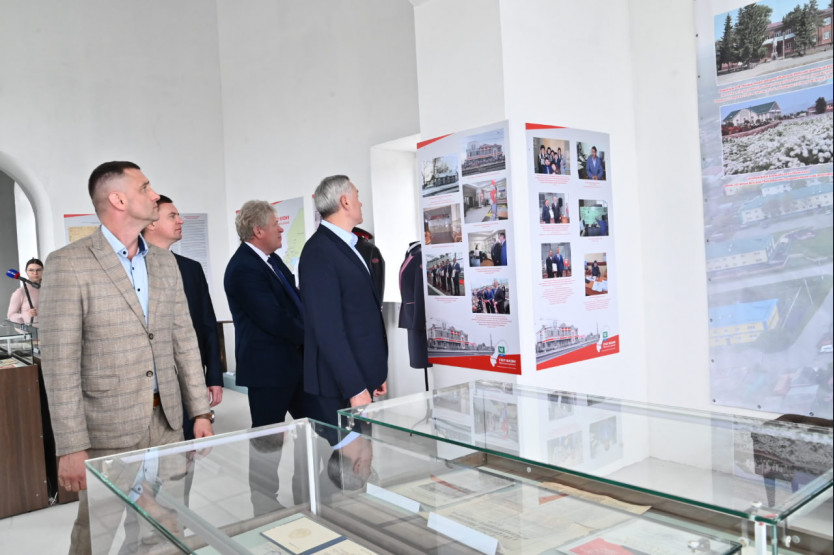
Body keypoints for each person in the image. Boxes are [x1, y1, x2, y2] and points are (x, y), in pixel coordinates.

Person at [39, 161, 213, 554]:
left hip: (167, 422)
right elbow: (60, 363)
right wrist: (70, 445)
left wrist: (200, 411)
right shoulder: (69, 263)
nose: (155, 194)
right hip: (107, 429)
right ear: (118, 199)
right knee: (96, 534)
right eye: (145, 187)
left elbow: (184, 339)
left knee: (166, 527)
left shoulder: (165, 262)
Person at [299, 175, 387, 428]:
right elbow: (328, 329)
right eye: (357, 196)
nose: (361, 203)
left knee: (363, 449)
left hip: (360, 376)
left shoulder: (349, 246)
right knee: (353, 451)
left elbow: (359, 313)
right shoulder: (319, 251)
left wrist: (375, 371)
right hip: (340, 386)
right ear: (345, 202)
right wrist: (355, 387)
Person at [142, 195, 223, 440]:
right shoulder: (133, 269)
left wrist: (214, 376)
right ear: (151, 223)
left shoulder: (190, 268)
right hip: (148, 385)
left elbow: (207, 324)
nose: (181, 221)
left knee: (187, 450)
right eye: (172, 216)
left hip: (187, 379)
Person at [7, 258, 43, 324]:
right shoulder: (20, 292)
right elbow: (11, 316)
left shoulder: (50, 289)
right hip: (32, 329)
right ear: (26, 271)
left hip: (52, 327)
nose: (35, 273)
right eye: (31, 270)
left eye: (38, 270)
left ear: (43, 271)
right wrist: (27, 315)